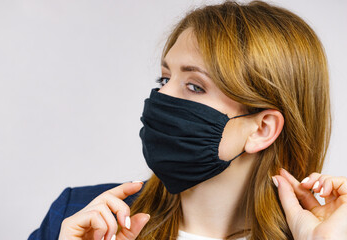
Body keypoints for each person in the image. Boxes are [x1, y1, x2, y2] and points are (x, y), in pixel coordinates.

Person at [29, 1, 347, 240]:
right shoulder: (79, 216)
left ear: (261, 129)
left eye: (194, 86)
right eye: (163, 78)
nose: (163, 96)